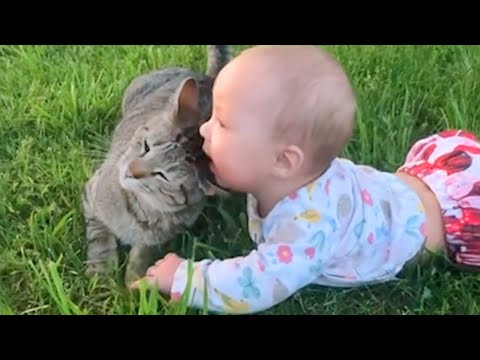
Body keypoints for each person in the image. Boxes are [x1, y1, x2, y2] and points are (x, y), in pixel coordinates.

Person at [130, 45, 480, 314]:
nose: (204, 129)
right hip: (425, 180)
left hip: (454, 219)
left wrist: (184, 277)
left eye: (222, 123)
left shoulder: (309, 228)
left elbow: (253, 285)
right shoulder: (285, 176)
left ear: (283, 161)